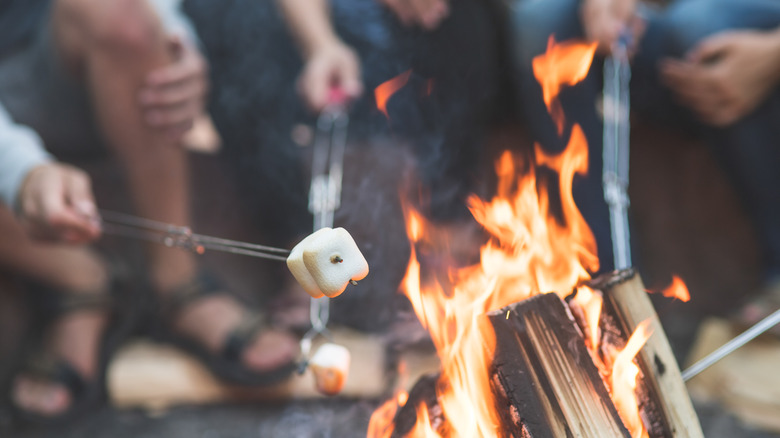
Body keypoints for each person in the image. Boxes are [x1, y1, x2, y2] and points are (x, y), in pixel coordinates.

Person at [0, 0, 298, 422]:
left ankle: (176, 283)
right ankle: (79, 278)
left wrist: (177, 48)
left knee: (116, 14)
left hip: (57, 58)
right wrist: (21, 171)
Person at [512, 0, 780, 290]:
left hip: (752, 40)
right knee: (541, 19)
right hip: (670, 42)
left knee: (699, 24)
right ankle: (609, 296)